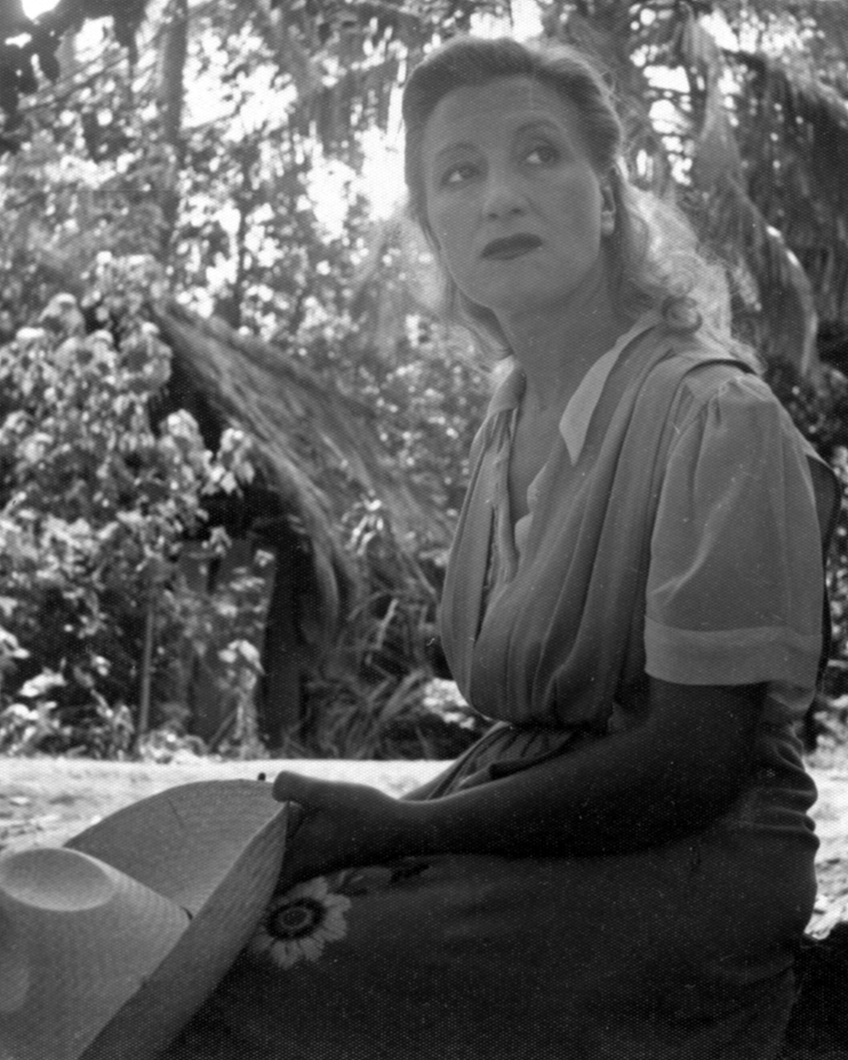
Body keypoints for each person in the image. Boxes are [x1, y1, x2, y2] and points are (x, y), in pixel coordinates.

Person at [171, 34, 838, 1060]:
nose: (499, 196)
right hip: (521, 815)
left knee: (279, 964)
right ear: (435, 230)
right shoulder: (506, 421)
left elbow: (690, 762)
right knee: (205, 922)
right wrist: (398, 822)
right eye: (458, 173)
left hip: (691, 849)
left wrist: (410, 831)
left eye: (539, 155)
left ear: (607, 195)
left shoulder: (714, 416)